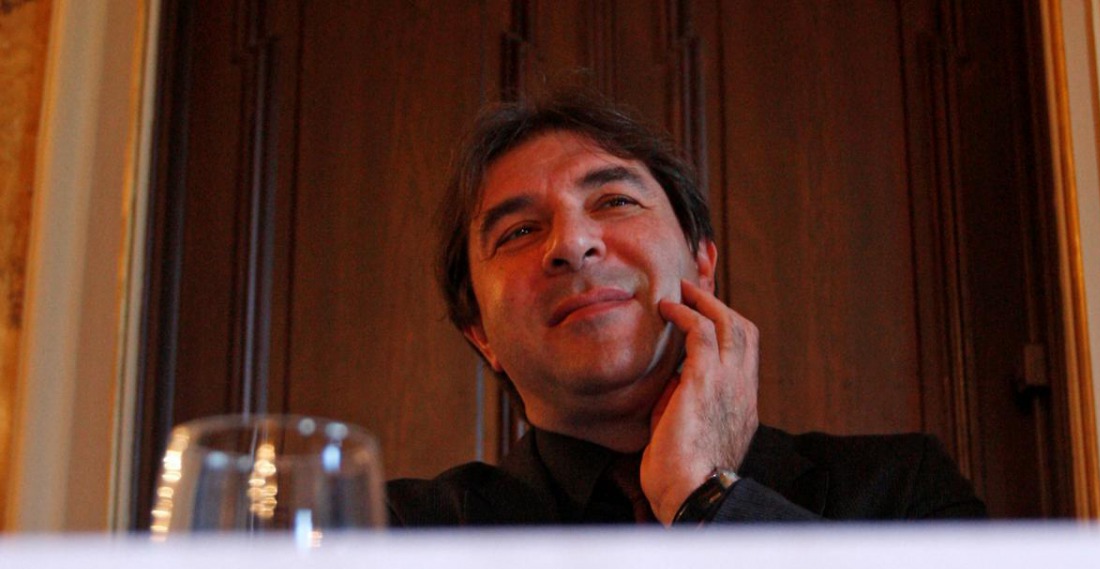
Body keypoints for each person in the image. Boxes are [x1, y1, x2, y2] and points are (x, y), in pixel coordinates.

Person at [387, 90, 985, 526]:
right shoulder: (398, 537)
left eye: (615, 199)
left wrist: (707, 496)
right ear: (479, 334)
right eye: (517, 232)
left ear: (702, 262)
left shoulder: (906, 491)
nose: (571, 243)